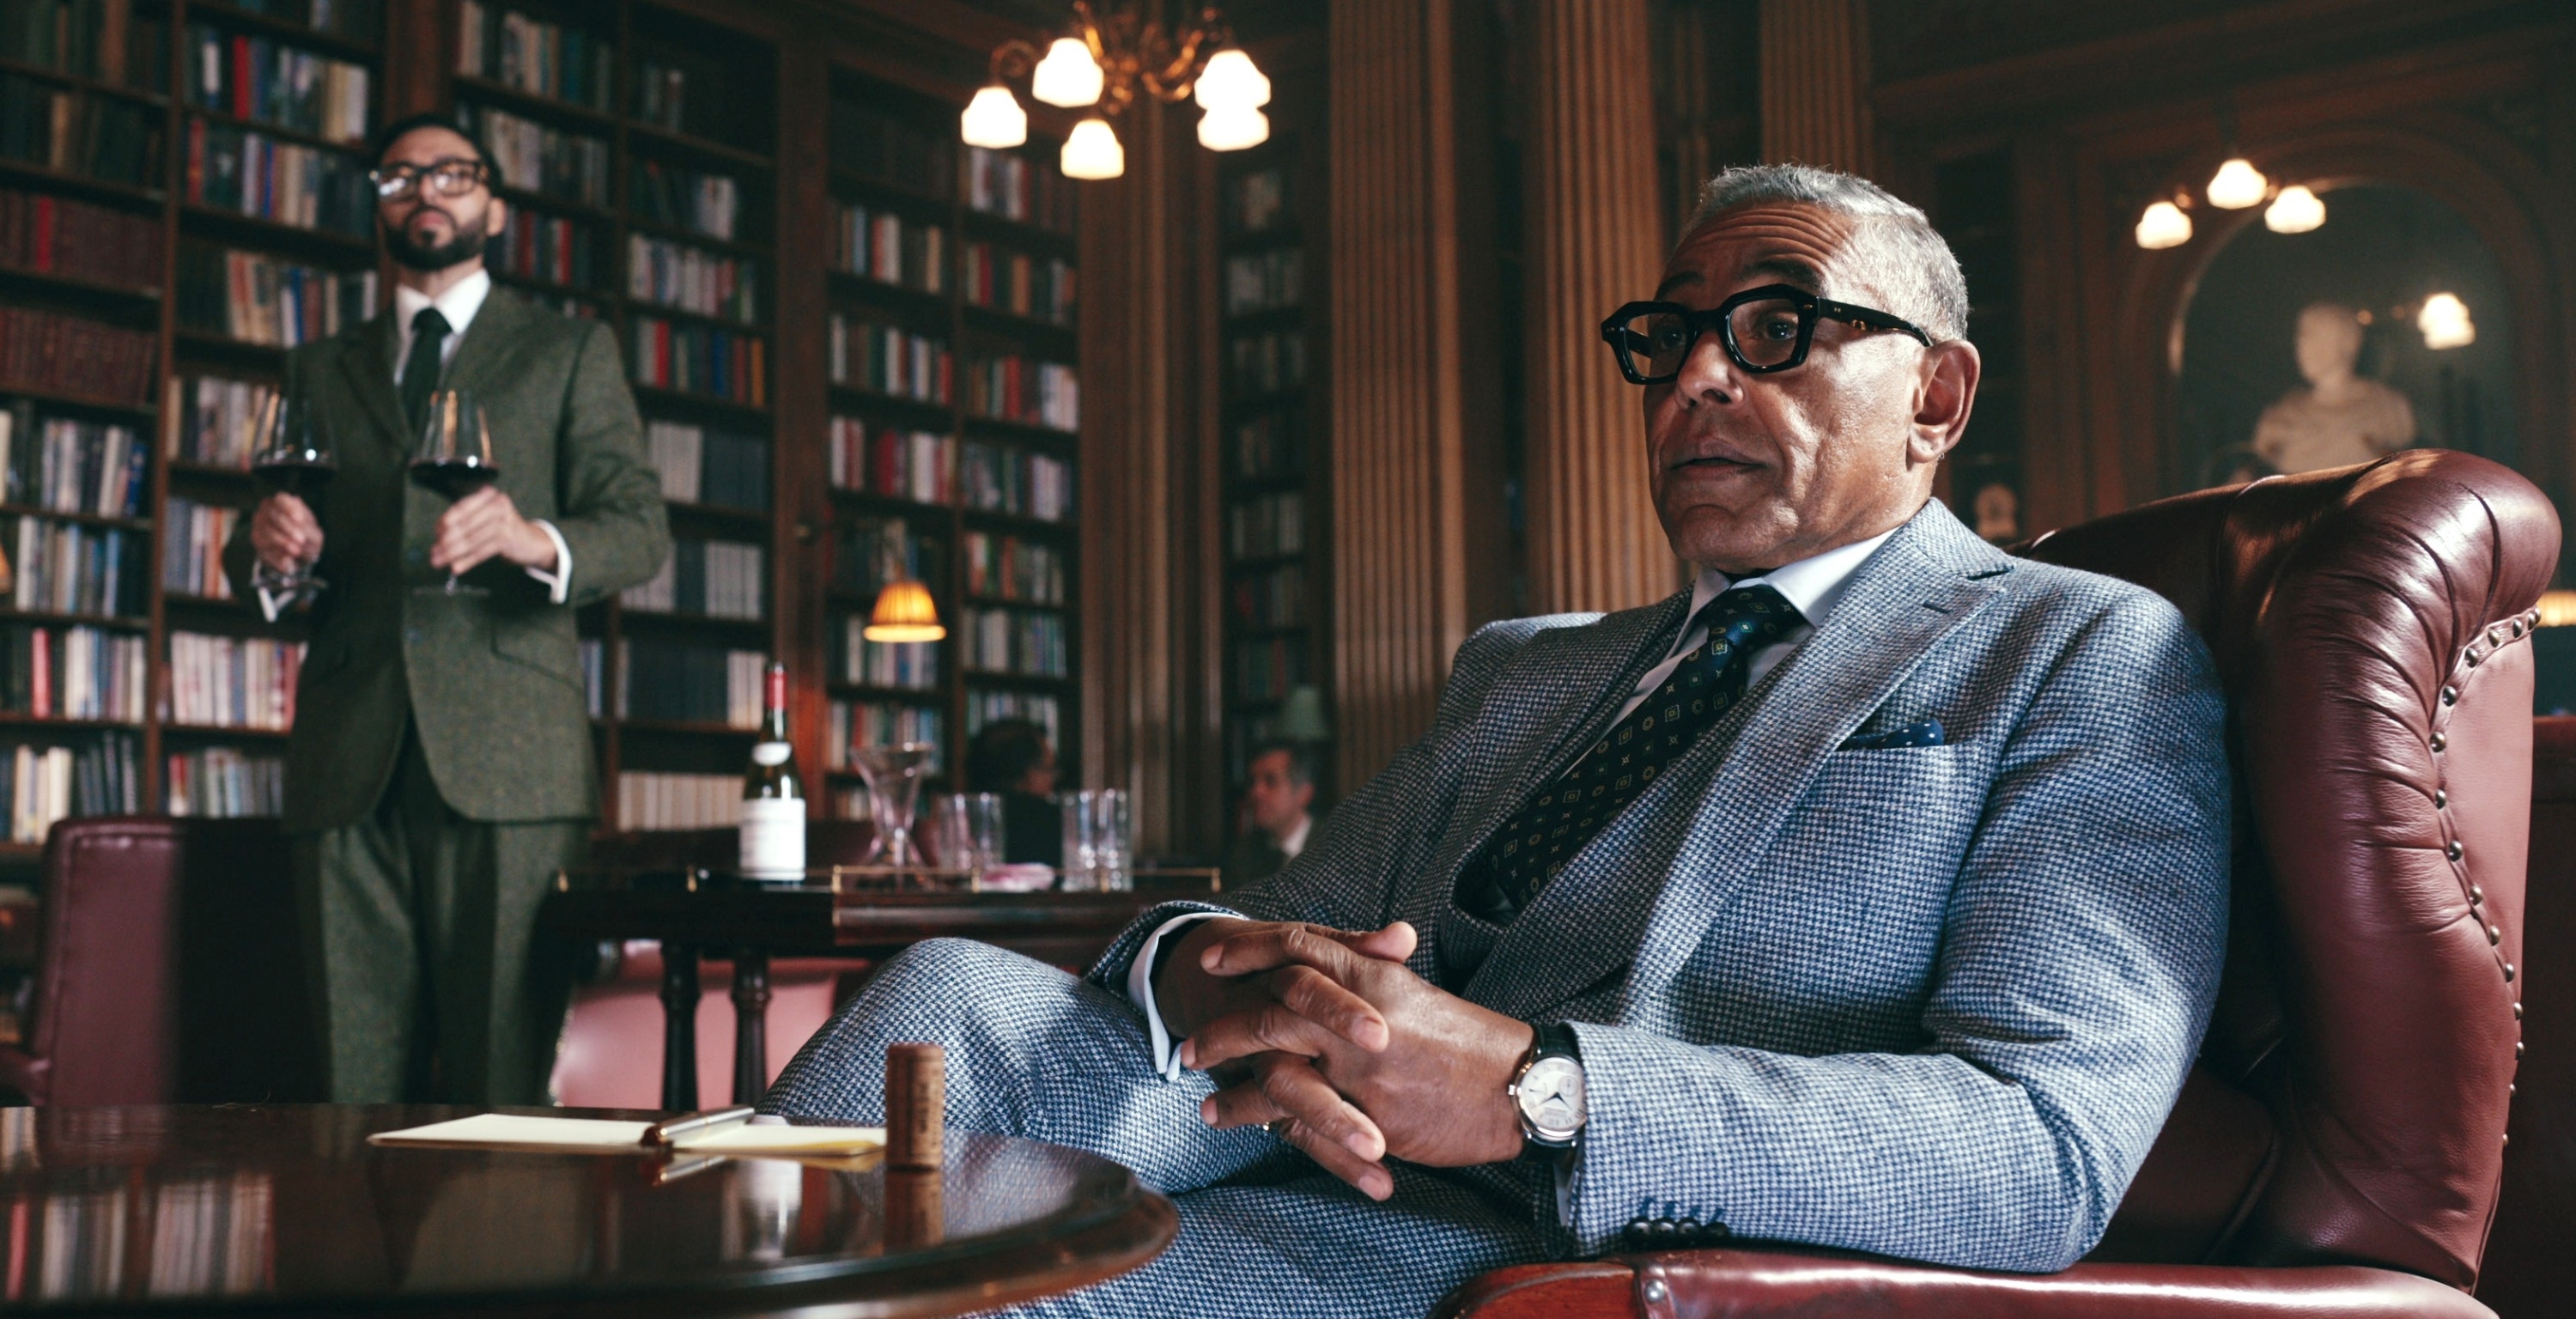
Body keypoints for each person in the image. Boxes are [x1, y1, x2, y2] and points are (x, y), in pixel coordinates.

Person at [762, 164, 2228, 1317]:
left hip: (1535, 1245)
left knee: (925, 1290)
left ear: (1938, 397)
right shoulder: (1530, 669)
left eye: (1777, 328)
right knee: (933, 998)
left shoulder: (2081, 651)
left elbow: (2043, 1147)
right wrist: (1192, 953)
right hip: (1268, 1136)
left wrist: (1545, 1088)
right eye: (1670, 339)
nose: (1699, 378)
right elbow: (1292, 930)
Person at [223, 112, 671, 1105]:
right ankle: (345, 1268)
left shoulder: (567, 351)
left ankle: (501, 1269)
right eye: (399, 177)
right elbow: (251, 545)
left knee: (502, 1083)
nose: (425, 190)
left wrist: (528, 537)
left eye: (453, 173)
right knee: (348, 1087)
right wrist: (263, 548)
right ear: (377, 206)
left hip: (513, 757)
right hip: (347, 754)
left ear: (494, 207)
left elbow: (640, 528)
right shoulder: (318, 366)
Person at [2251, 301, 2415, 474]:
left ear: (2346, 342)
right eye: (2300, 337)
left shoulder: (2388, 407)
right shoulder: (2282, 414)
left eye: (2312, 335)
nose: (2301, 345)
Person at [965, 718, 1063, 868]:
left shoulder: (962, 816)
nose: (1053, 778)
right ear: (1027, 772)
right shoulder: (1050, 819)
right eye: (1048, 769)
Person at [1218, 739, 1318, 886]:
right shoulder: (1243, 854)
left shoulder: (1333, 848)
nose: (1256, 792)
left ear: (1304, 793)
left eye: (1271, 781)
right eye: (1252, 782)